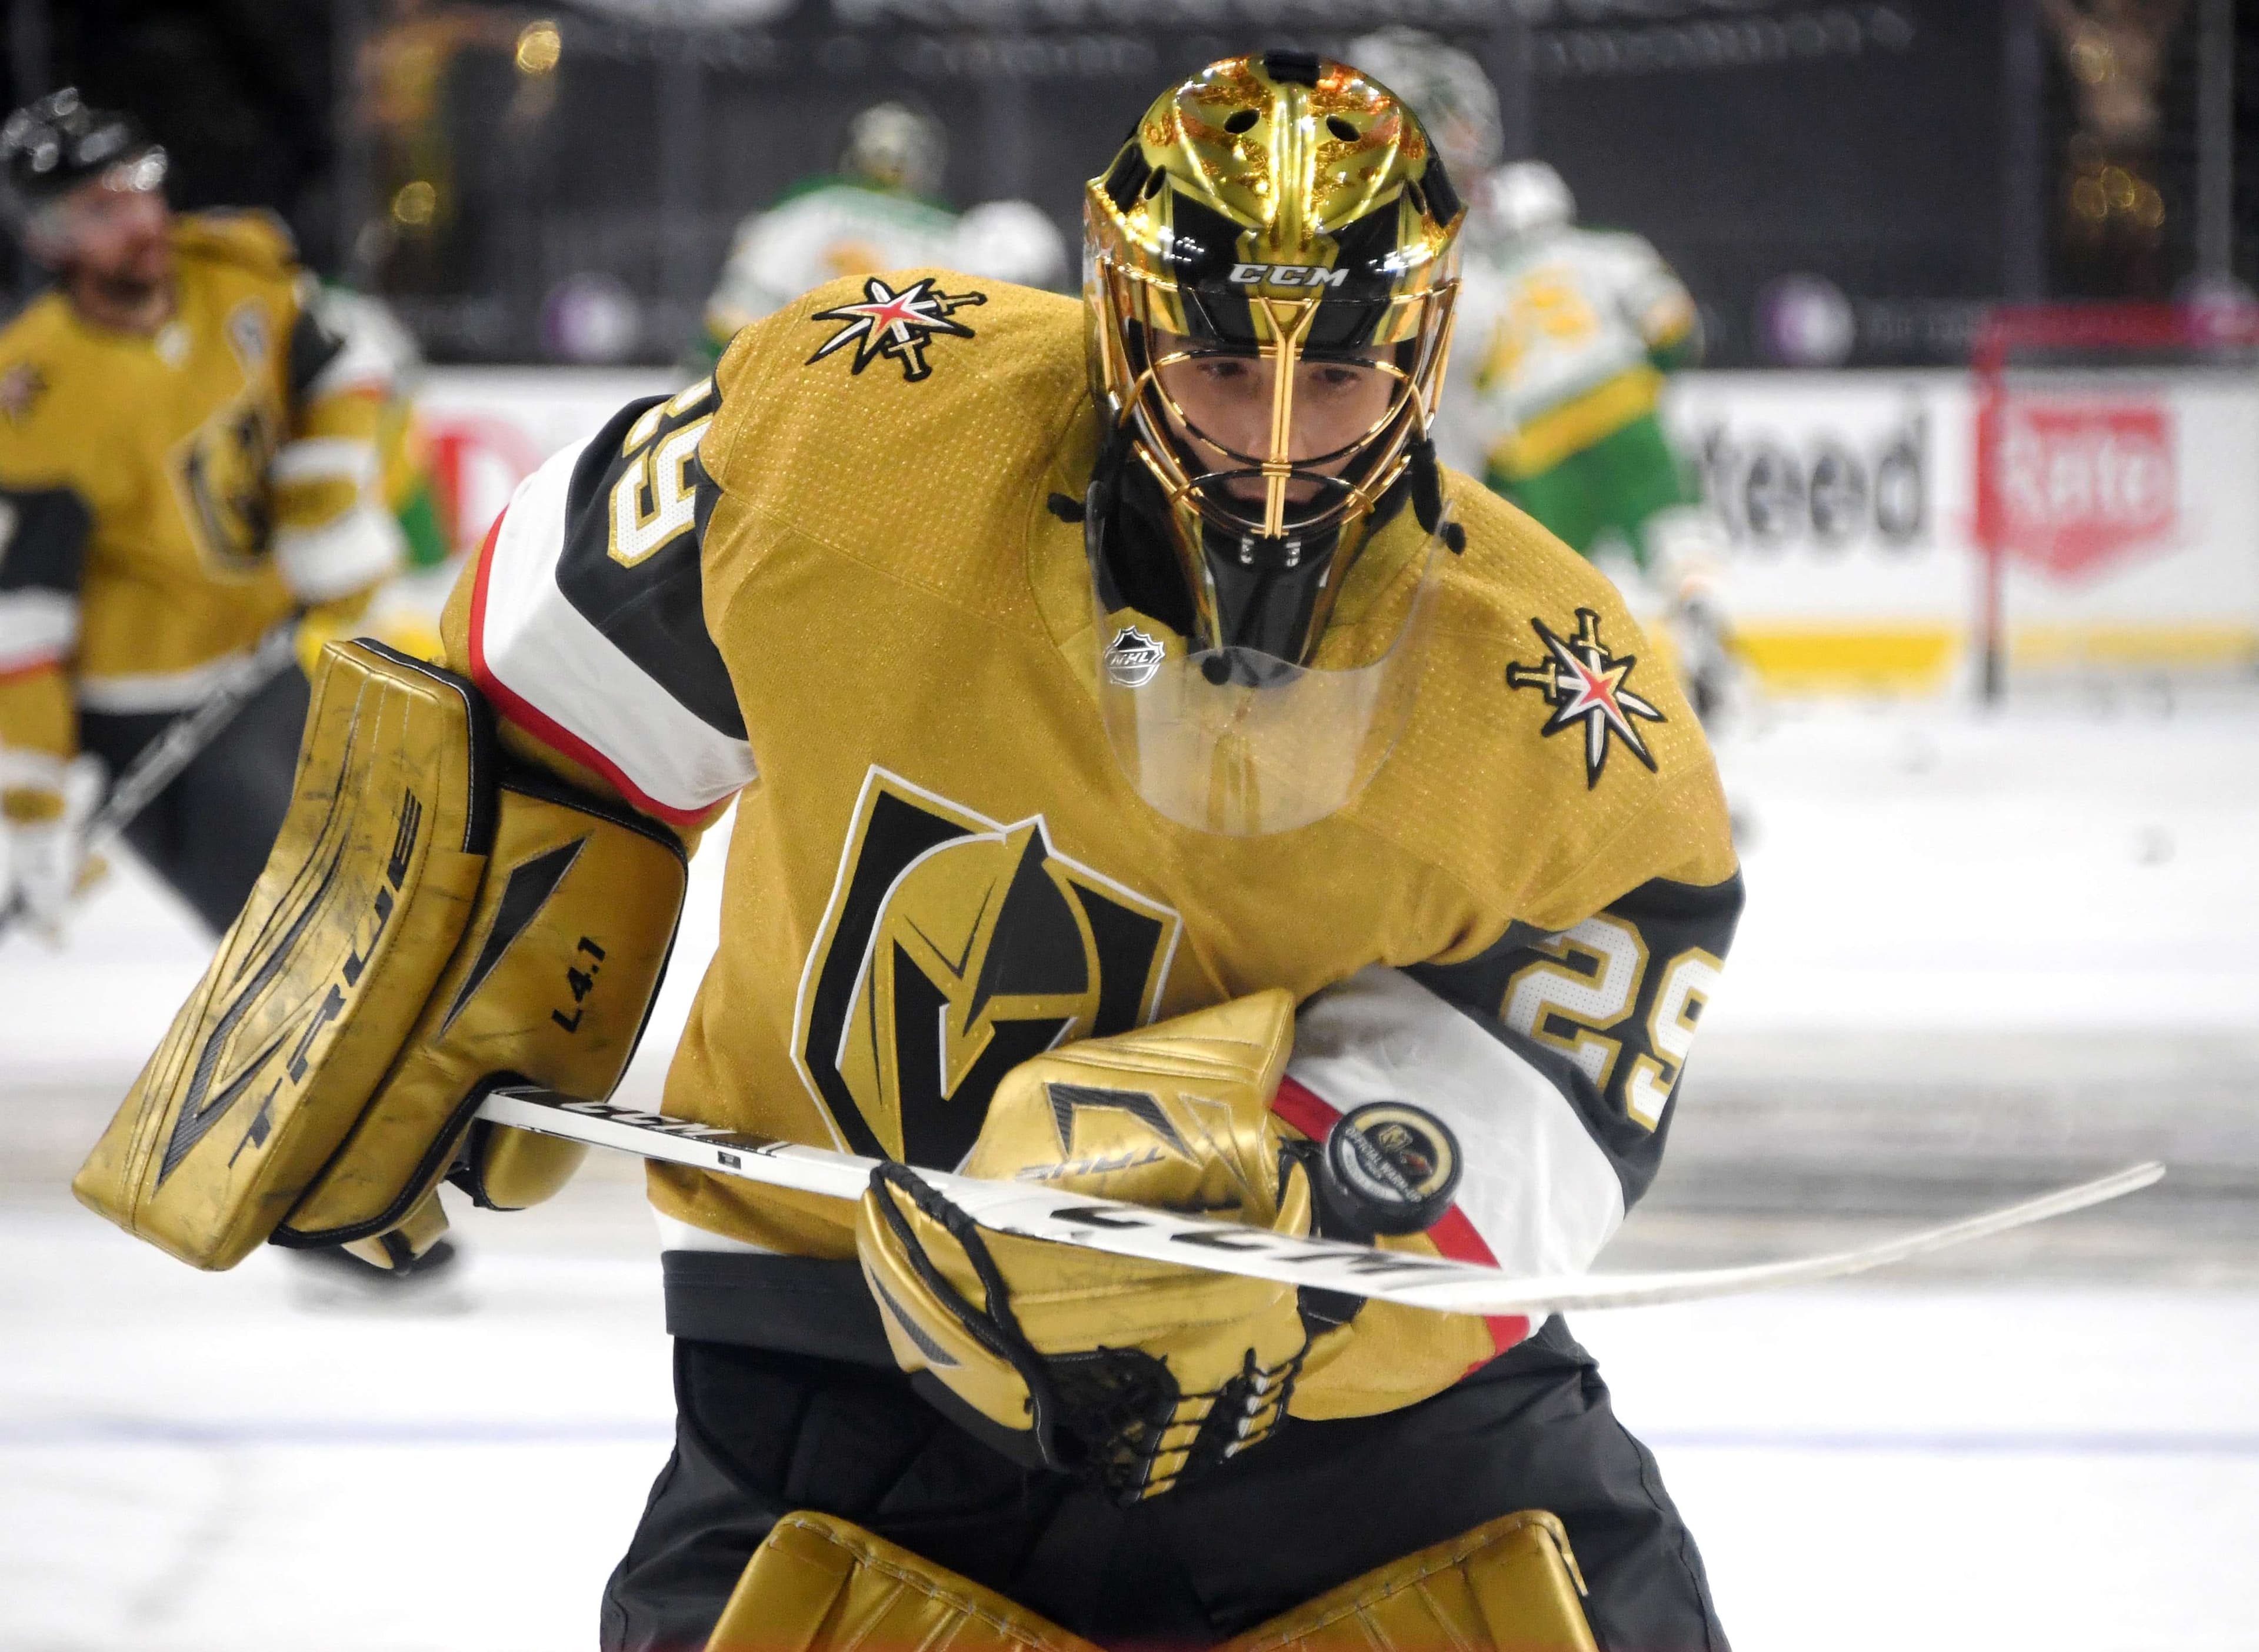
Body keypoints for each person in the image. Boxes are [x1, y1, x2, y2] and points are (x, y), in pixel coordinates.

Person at [81, 55, 1742, 1651]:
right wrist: (450, 926)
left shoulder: (1560, 694)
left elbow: (1578, 1043)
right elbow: (551, 668)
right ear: (1123, 320)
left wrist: (1310, 1234)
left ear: (1427, 348)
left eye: (1345, 371)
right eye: (1225, 364)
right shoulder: (871, 426)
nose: (1283, 440)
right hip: (832, 1338)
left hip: (1335, 1408)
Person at [0, 89, 456, 1294]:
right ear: (49, 237)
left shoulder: (234, 274)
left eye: (141, 181)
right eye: (99, 207)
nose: (139, 217)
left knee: (371, 910)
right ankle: (330, 1207)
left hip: (262, 670)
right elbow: (27, 624)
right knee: (291, 952)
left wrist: (325, 506)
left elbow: (349, 367)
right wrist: (30, 803)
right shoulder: (31, 389)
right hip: (149, 710)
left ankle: (377, 1161)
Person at [691, 99, 1067, 369]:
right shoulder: (951, 229)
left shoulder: (807, 203)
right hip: (895, 386)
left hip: (791, 378)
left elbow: (734, 312)